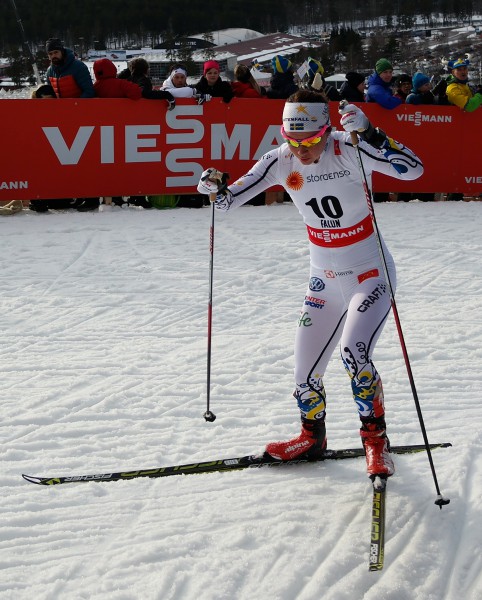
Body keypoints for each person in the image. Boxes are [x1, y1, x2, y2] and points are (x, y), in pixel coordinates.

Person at [196, 91, 424, 480]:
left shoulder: (349, 148)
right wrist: (213, 186)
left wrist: (373, 133)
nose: (301, 150)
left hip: (370, 276)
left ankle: (376, 442)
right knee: (304, 374)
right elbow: (227, 202)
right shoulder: (280, 159)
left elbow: (413, 170)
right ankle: (311, 437)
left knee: (355, 354)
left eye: (310, 141)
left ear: (327, 130)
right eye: (293, 140)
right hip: (324, 281)